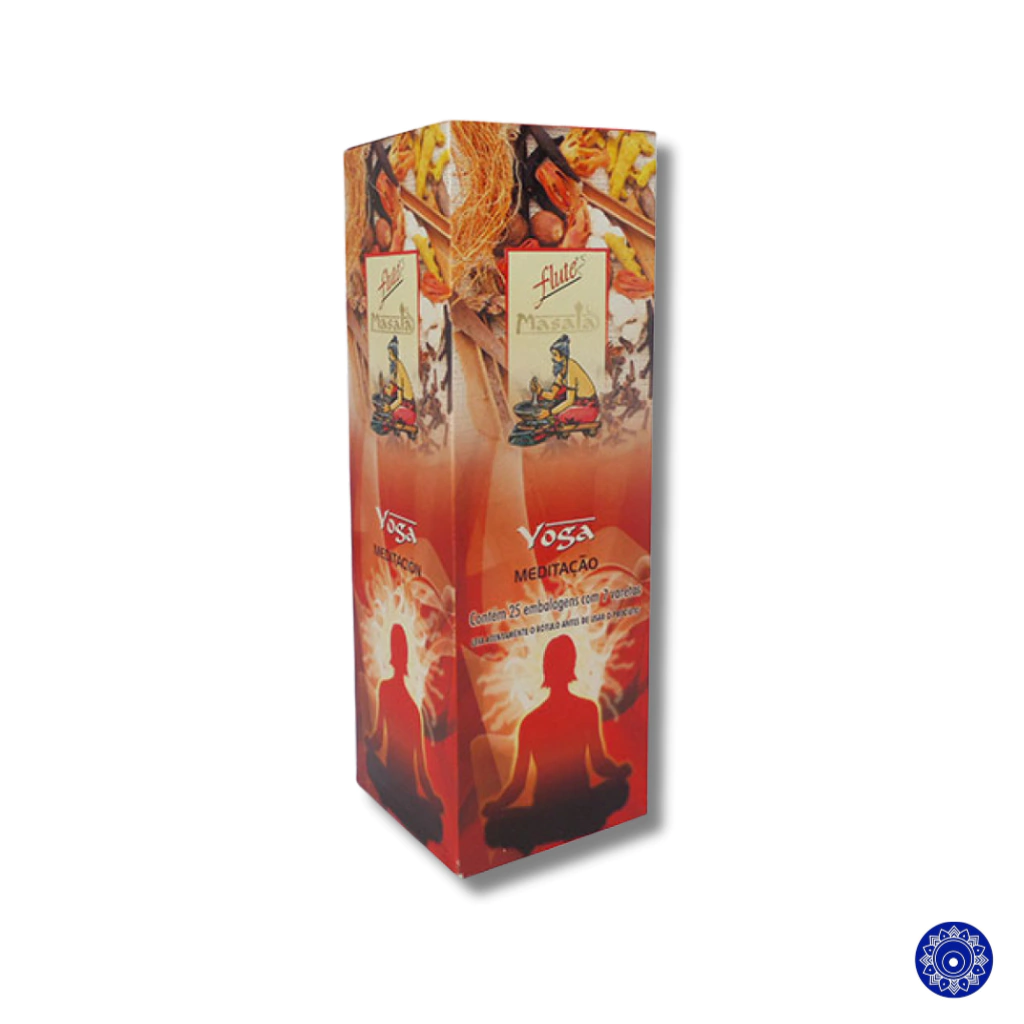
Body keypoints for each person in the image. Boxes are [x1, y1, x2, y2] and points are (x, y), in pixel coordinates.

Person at [483, 634, 630, 854]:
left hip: (549, 813)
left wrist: (497, 807)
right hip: (579, 808)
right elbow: (599, 764)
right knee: (620, 788)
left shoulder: (531, 721)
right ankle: (576, 826)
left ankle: (538, 834)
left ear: (546, 669)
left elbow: (518, 784)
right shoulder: (586, 710)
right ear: (572, 666)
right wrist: (619, 772)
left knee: (495, 828)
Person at [366, 624, 442, 845]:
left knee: (370, 761)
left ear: (392, 653)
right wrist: (433, 798)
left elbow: (377, 740)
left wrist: (366, 740)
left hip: (392, 780)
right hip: (409, 789)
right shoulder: (413, 708)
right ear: (406, 657)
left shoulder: (385, 689)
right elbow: (422, 771)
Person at [531, 334, 600, 430]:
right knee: (543, 399)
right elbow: (552, 395)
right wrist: (539, 391)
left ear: (563, 356)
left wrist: (549, 412)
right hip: (575, 404)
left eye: (555, 355)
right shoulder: (561, 369)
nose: (553, 358)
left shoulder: (571, 367)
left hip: (588, 408)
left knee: (561, 416)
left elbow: (569, 401)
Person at [383, 336, 417, 438]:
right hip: (404, 403)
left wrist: (389, 408)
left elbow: (400, 399)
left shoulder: (399, 369)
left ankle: (411, 429)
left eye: (390, 354)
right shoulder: (398, 366)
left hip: (408, 406)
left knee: (391, 419)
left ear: (394, 354)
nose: (389, 357)